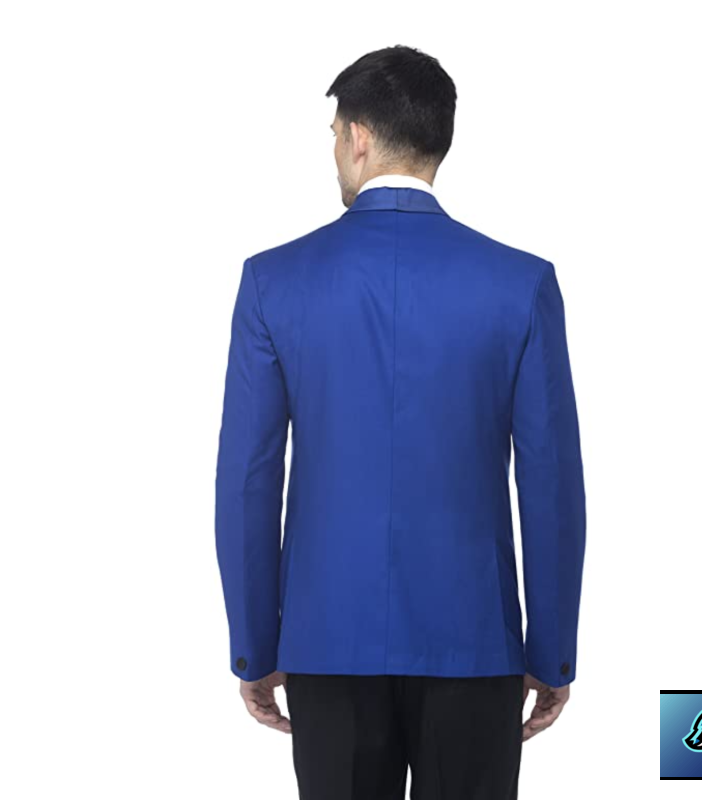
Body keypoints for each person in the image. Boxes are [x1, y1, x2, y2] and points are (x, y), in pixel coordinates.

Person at [214, 44, 587, 800]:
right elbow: (551, 486)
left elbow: (249, 480)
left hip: (326, 643)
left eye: (333, 135)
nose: (334, 151)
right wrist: (551, 651)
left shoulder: (273, 281)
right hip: (475, 646)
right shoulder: (520, 284)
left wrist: (256, 643)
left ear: (357, 136)